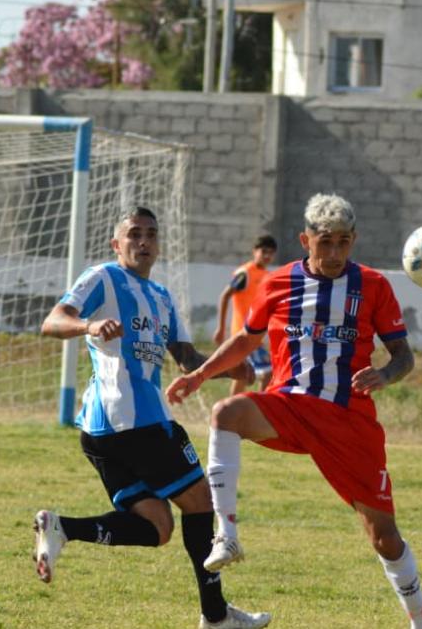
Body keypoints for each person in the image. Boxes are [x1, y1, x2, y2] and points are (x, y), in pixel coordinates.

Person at [166, 194, 422, 629]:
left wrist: (386, 375)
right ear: (304, 239)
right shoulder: (277, 283)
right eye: (324, 243)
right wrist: (199, 374)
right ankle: (227, 536)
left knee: (384, 538)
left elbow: (404, 355)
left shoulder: (373, 286)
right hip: (288, 406)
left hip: (349, 424)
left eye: (343, 243)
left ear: (354, 241)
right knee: (226, 412)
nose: (333, 254)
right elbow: (247, 341)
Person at [35, 206, 272, 629]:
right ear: (117, 244)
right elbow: (53, 321)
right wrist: (89, 326)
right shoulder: (103, 277)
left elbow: (186, 359)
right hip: (133, 421)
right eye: (134, 235)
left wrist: (229, 367)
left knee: (157, 527)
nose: (143, 242)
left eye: (150, 235)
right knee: (200, 500)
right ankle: (216, 617)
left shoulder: (163, 299)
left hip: (103, 432)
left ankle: (61, 528)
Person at [213, 235, 278, 396]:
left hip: (255, 335)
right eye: (263, 251)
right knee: (269, 372)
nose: (267, 256)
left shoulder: (267, 275)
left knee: (241, 375)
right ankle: (262, 409)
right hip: (244, 334)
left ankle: (232, 413)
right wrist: (221, 328)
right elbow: (225, 295)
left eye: (271, 253)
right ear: (254, 251)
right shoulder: (245, 274)